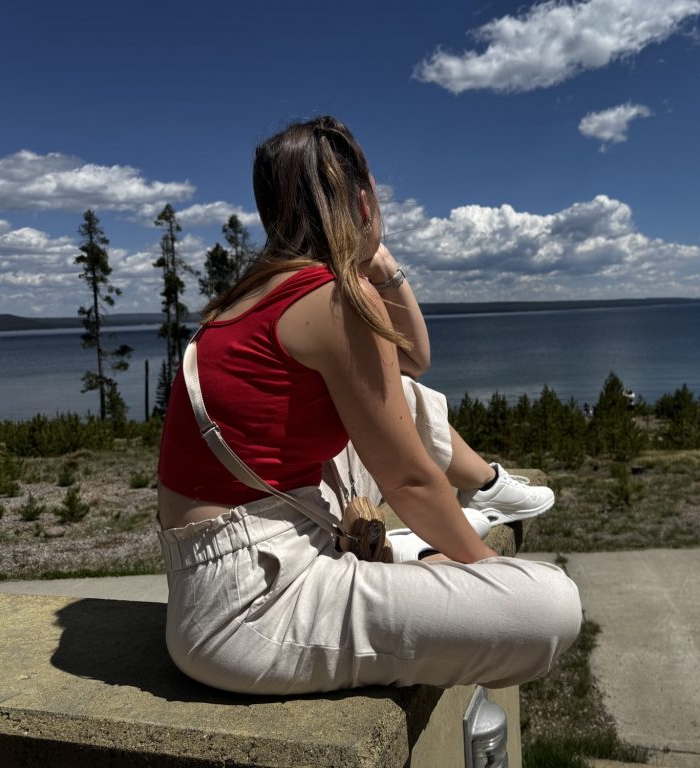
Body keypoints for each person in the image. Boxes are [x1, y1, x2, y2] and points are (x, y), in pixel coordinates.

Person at [155, 115, 582, 695]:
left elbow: (413, 361)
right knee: (551, 605)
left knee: (398, 394)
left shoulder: (256, 294)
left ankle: (484, 489)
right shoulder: (334, 299)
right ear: (363, 199)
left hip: (229, 565)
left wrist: (381, 266)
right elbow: (408, 479)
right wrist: (484, 568)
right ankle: (448, 536)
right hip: (253, 607)